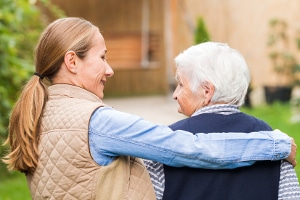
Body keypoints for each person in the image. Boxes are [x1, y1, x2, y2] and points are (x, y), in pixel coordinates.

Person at [2, 17, 296, 200]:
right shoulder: (97, 122)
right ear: (72, 62)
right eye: (102, 57)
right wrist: (275, 144)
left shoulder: (41, 115)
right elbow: (189, 148)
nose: (110, 69)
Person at [145, 42, 300, 200]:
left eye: (180, 84)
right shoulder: (273, 142)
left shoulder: (165, 143)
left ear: (207, 91)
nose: (175, 94)